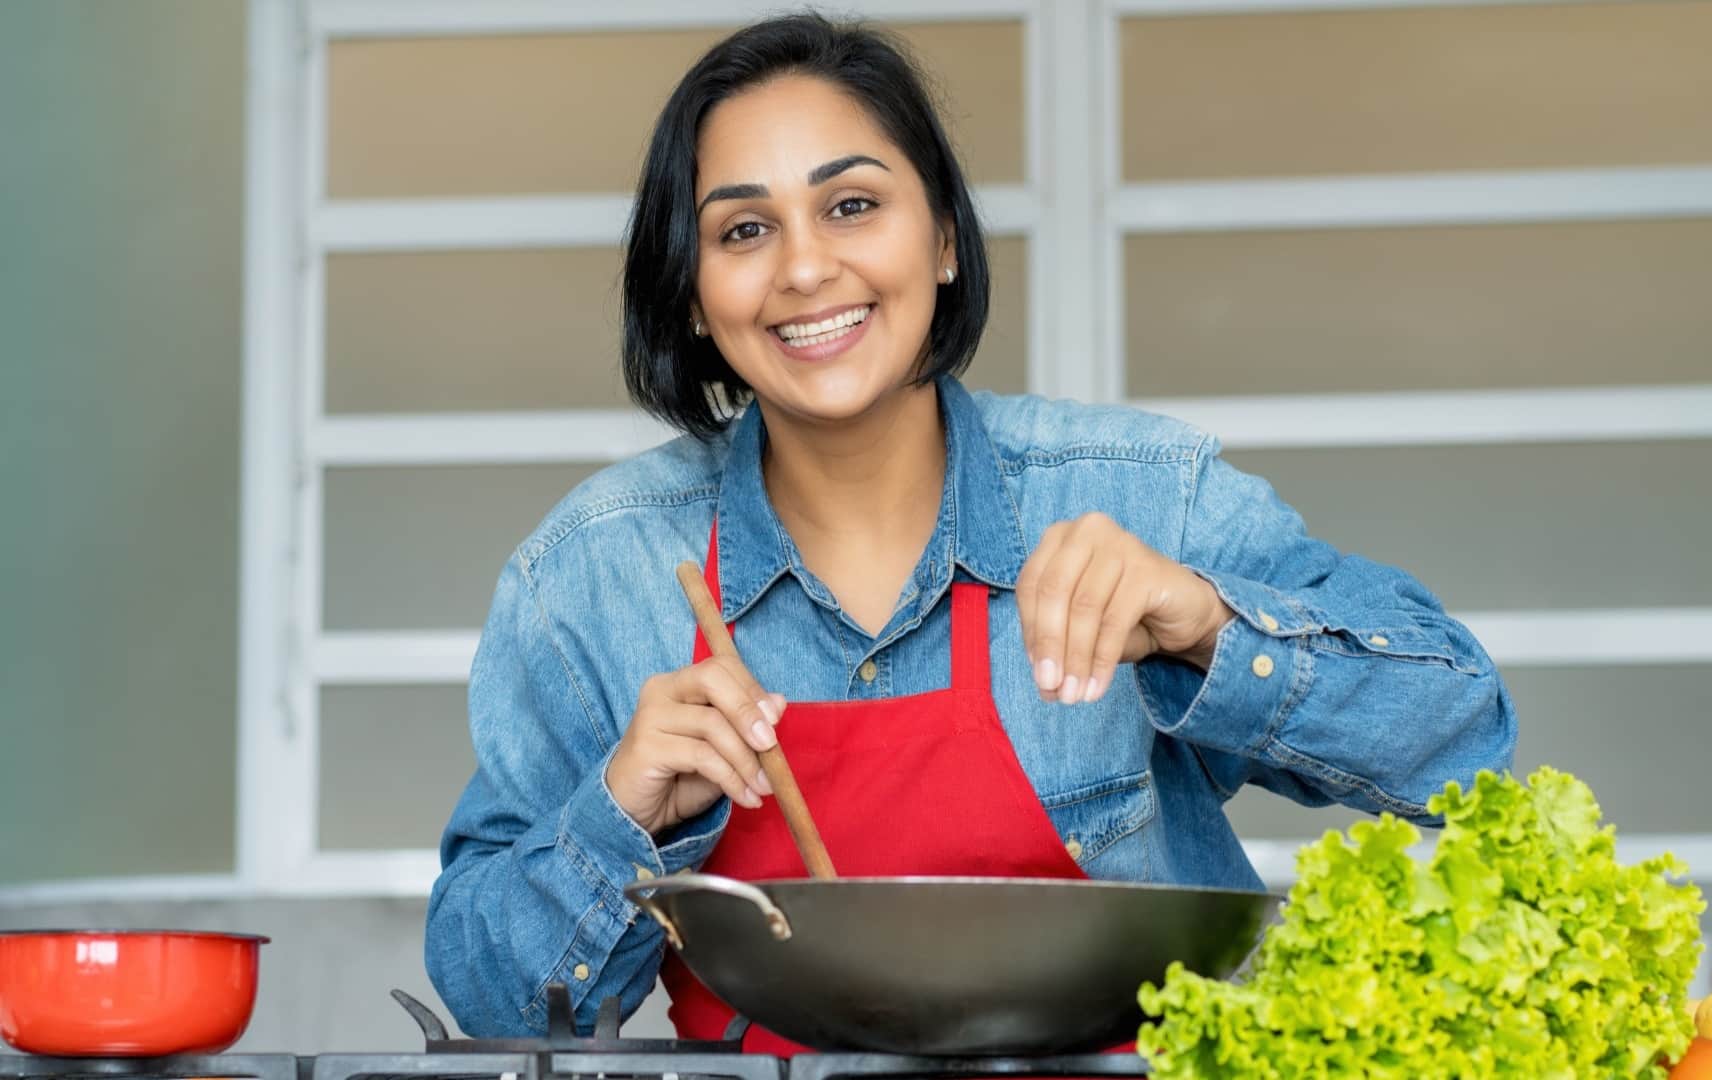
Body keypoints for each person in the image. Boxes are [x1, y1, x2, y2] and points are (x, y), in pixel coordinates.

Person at [424, 10, 1515, 1044]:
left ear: (944, 239)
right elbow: (491, 998)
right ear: (696, 296)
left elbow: (1464, 742)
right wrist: (621, 817)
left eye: (852, 205)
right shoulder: (594, 575)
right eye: (745, 228)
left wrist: (1204, 625)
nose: (806, 268)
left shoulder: (1144, 495)